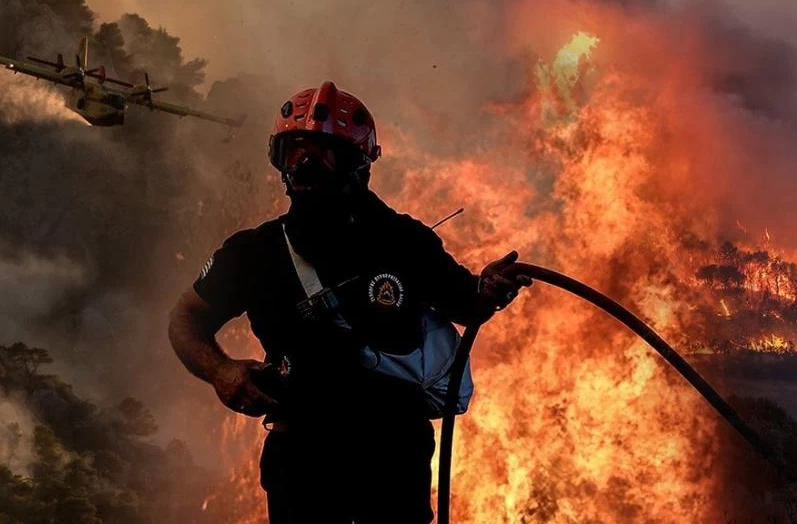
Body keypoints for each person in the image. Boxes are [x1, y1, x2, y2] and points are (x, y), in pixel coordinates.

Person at [169, 81, 531, 523]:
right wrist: (221, 371)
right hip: (301, 461)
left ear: (358, 162)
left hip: (393, 461)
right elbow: (186, 318)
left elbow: (466, 305)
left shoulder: (404, 240)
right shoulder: (254, 252)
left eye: (322, 152)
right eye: (293, 151)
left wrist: (489, 290)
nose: (305, 165)